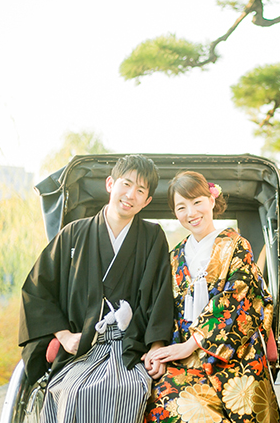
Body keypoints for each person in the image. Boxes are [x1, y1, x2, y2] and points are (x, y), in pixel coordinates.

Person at [18, 155, 174, 423]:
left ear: (147, 201)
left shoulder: (152, 237)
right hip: (82, 345)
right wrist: (65, 336)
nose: (130, 195)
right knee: (72, 391)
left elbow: (160, 296)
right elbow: (37, 290)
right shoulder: (73, 233)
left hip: (130, 346)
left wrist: (156, 348)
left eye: (140, 190)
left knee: (130, 389)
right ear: (110, 184)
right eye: (126, 184)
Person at [146, 171, 280, 423]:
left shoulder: (237, 246)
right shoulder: (175, 256)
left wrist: (191, 344)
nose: (191, 213)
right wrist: (159, 348)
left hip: (234, 350)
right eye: (181, 207)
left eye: (197, 202)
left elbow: (235, 299)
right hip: (184, 353)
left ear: (211, 200)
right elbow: (163, 306)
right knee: (163, 401)